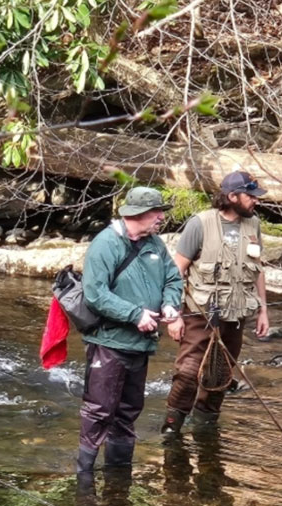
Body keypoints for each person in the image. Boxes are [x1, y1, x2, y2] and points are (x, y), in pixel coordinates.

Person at [77, 186, 183, 473]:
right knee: (99, 411)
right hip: (109, 343)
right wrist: (135, 314)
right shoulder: (105, 245)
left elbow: (173, 279)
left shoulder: (156, 245)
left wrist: (171, 305)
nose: (161, 217)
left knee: (128, 411)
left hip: (142, 345)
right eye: (156, 212)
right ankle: (84, 476)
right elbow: (95, 294)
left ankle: (119, 475)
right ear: (137, 214)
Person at [161, 171, 270, 434]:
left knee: (219, 376)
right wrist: (174, 314)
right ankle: (171, 429)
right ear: (232, 197)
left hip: (236, 316)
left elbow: (258, 270)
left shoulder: (253, 224)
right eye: (250, 196)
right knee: (187, 374)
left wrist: (263, 311)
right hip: (200, 315)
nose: (255, 201)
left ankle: (205, 429)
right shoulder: (199, 224)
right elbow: (177, 271)